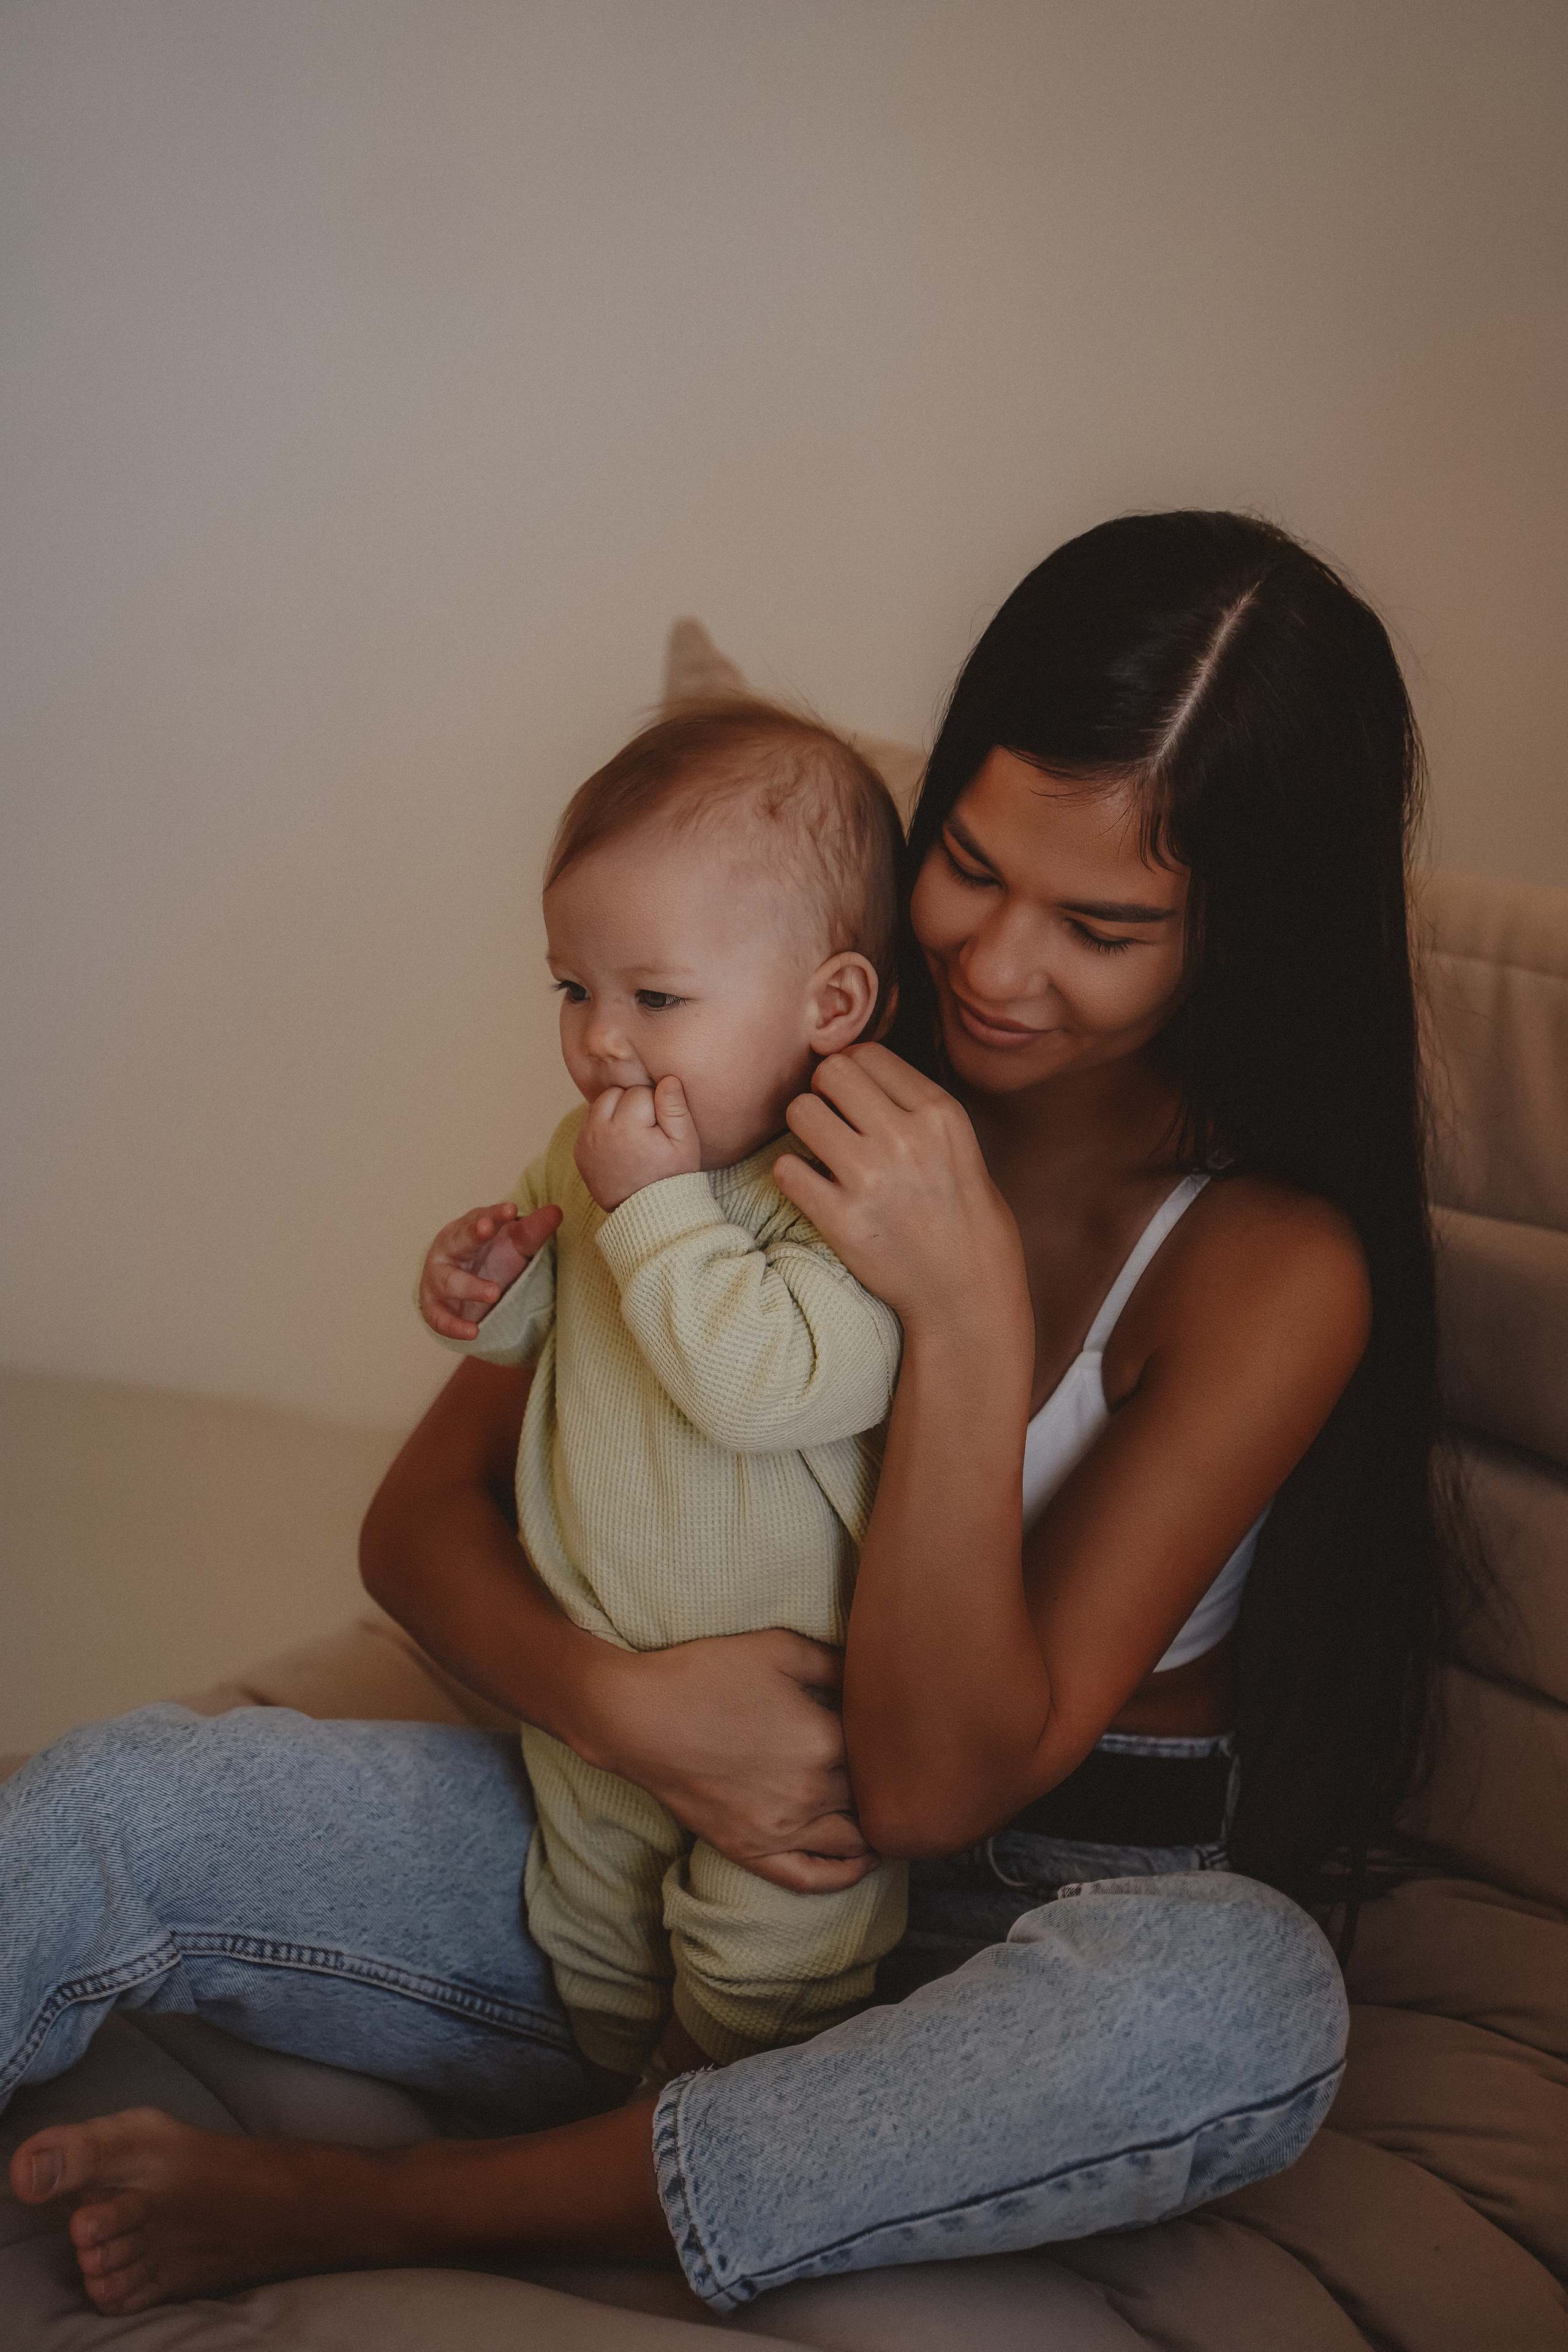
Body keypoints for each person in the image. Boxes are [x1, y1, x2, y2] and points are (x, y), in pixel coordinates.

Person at [5, 510, 1457, 2323]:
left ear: (1242, 935)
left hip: (1020, 1931)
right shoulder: (783, 1058)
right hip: (642, 1827)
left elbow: (933, 1786)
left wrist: (967, 1312)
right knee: (118, 1806)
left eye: (1104, 926)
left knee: (1239, 2007)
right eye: (975, 869)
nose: (999, 970)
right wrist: (632, 1711)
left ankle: (386, 2206)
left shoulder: (1270, 1268)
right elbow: (418, 1525)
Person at [415, 700, 910, 2084]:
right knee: (591, 1963)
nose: (601, 1043)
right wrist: (484, 1285)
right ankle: (580, 2117)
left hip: (793, 1740)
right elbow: (540, 1341)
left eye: (655, 997)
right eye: (572, 991)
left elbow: (766, 1387)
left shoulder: (838, 1195)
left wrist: (653, 1214)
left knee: (758, 1985)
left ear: (830, 1005)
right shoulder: (586, 1161)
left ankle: (670, 2157)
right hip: (595, 1691)